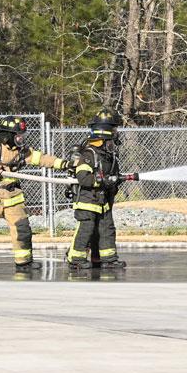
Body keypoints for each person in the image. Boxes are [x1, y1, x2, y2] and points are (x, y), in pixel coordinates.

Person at [0, 115, 63, 273]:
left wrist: (64, 164)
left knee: (22, 229)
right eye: (18, 136)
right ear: (7, 136)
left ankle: (24, 262)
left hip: (13, 197)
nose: (20, 139)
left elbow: (42, 159)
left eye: (22, 136)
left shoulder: (22, 152)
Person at [69, 114, 136, 272]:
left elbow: (112, 176)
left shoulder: (109, 156)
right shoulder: (89, 154)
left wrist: (116, 180)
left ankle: (109, 259)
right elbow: (83, 178)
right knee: (86, 229)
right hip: (87, 201)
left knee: (107, 229)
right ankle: (76, 259)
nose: (116, 133)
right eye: (114, 129)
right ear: (106, 133)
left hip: (102, 201)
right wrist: (102, 181)